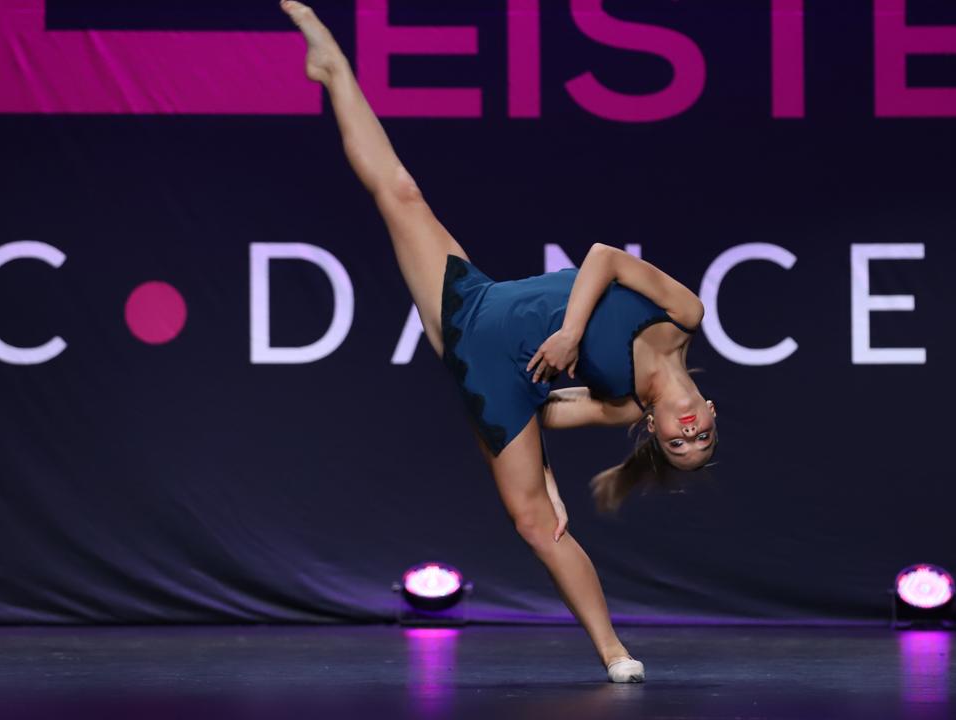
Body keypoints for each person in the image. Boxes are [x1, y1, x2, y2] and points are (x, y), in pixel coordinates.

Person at [279, 1, 717, 683]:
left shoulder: (628, 404)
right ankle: (334, 67)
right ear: (712, 413)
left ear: (656, 432)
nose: (688, 435)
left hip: (490, 372)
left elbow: (542, 410)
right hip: (476, 307)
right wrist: (570, 334)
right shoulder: (684, 314)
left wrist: (540, 472)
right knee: (401, 192)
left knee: (539, 524)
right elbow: (604, 256)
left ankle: (614, 653)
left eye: (677, 445)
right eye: (701, 439)